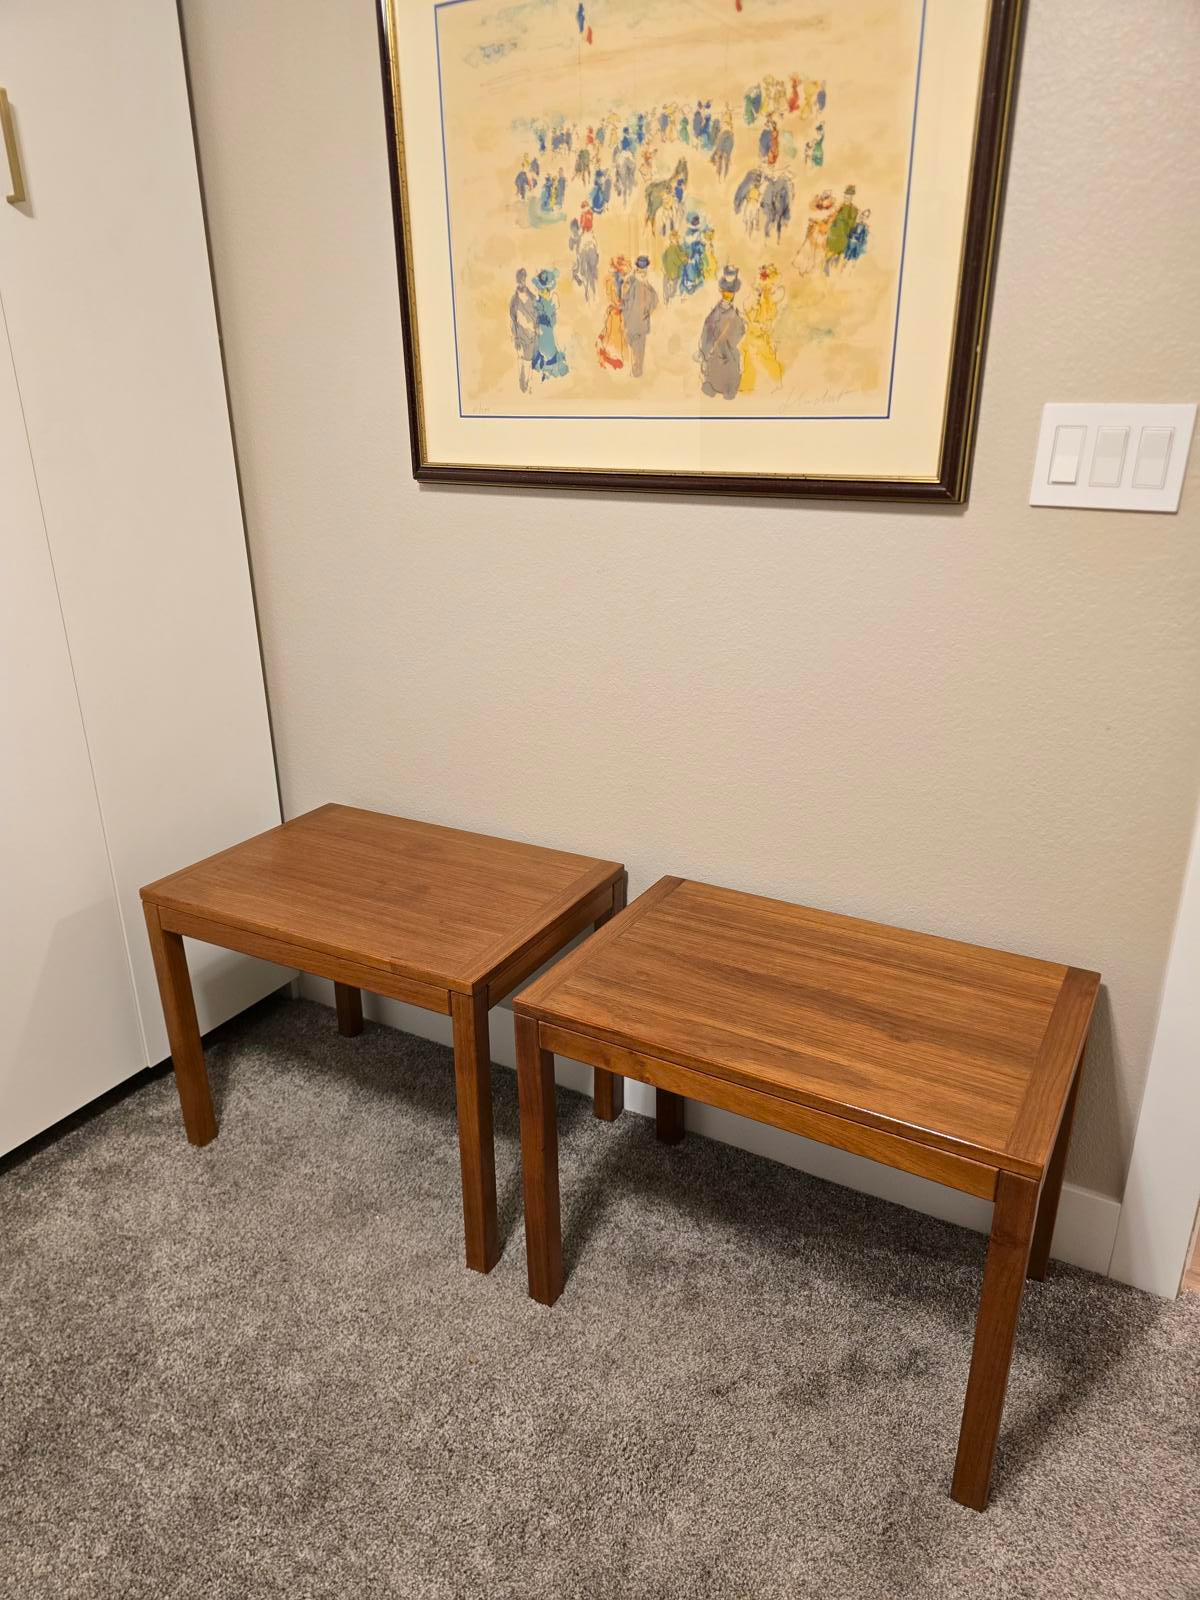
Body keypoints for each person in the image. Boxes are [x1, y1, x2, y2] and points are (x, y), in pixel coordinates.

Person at [697, 265, 745, 400]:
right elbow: (707, 330)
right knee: (724, 364)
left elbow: (739, 333)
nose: (728, 295)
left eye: (729, 293)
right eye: (726, 293)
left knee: (728, 365)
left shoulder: (729, 314)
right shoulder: (721, 313)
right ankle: (718, 387)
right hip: (722, 354)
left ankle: (720, 388)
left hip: (723, 353)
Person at [739, 263, 784, 393]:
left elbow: (771, 321)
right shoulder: (755, 300)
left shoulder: (771, 302)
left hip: (762, 337)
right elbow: (746, 310)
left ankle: (774, 385)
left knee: (768, 362)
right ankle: (748, 388)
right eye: (770, 287)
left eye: (772, 287)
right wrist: (753, 307)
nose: (772, 289)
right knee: (750, 364)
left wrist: (767, 330)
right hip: (753, 337)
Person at [620, 255, 659, 378]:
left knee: (636, 346)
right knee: (637, 347)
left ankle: (636, 371)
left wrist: (648, 310)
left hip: (633, 320)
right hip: (638, 321)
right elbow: (654, 300)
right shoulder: (638, 282)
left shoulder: (633, 280)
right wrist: (648, 311)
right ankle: (636, 370)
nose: (643, 271)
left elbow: (624, 296)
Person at [530, 268, 568, 381]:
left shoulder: (552, 301)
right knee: (544, 349)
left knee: (550, 349)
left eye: (546, 290)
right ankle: (544, 369)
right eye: (541, 290)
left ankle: (548, 368)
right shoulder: (537, 303)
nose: (543, 292)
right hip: (541, 332)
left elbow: (553, 320)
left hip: (548, 332)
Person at [596, 256, 631, 370]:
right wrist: (618, 304)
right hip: (615, 312)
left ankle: (616, 357)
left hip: (620, 311)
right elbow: (611, 296)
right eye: (623, 267)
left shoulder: (623, 280)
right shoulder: (611, 280)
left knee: (618, 334)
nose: (625, 270)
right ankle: (611, 357)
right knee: (613, 334)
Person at [508, 267, 538, 393]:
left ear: (525, 279)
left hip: (531, 335)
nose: (522, 281)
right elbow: (512, 320)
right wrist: (515, 337)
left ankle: (528, 384)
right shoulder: (514, 300)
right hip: (520, 336)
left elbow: (536, 315)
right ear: (517, 280)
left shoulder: (532, 297)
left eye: (523, 279)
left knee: (530, 361)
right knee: (521, 361)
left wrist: (536, 328)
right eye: (520, 279)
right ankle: (522, 384)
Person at [824, 185, 858, 272]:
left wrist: (843, 219)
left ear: (851, 198)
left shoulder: (853, 209)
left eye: (848, 197)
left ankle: (834, 266)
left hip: (843, 234)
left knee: (839, 251)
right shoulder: (840, 206)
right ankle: (827, 263)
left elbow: (852, 224)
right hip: (834, 231)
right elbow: (834, 217)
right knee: (831, 248)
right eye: (845, 196)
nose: (846, 198)